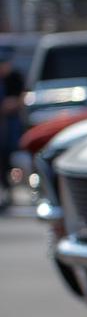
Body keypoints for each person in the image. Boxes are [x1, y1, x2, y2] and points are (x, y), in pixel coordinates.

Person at [0, 50, 25, 210]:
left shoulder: (14, 78)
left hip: (11, 126)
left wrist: (14, 103)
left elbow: (22, 96)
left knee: (9, 158)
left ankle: (9, 190)